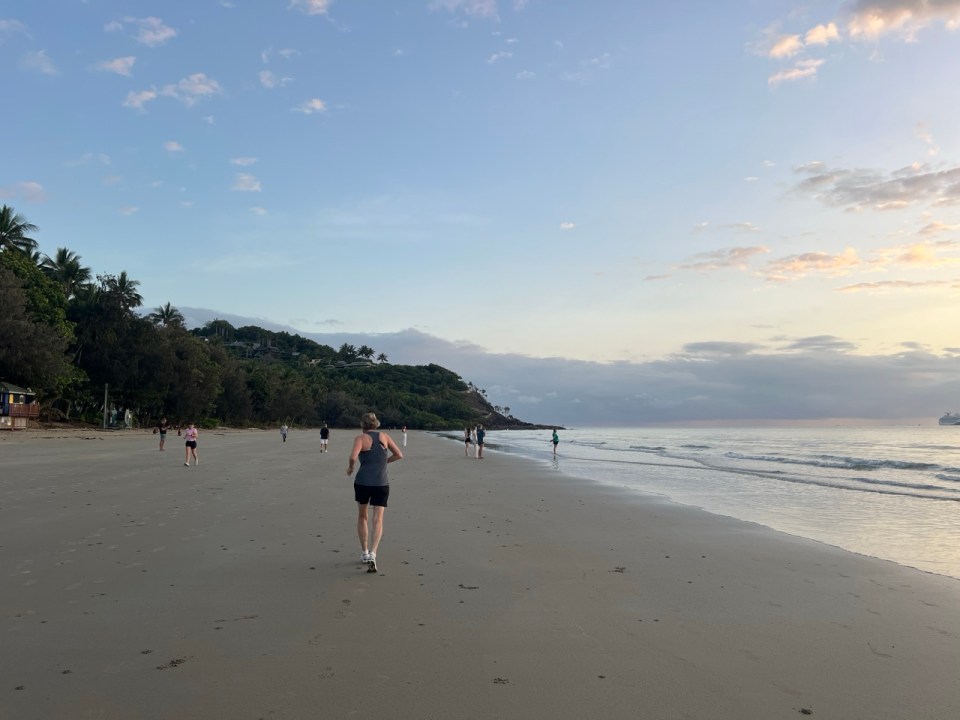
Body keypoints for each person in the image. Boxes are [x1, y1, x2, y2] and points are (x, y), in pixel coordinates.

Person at [347, 412, 402, 573]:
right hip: (381, 483)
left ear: (362, 425)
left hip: (362, 482)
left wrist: (350, 468)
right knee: (378, 519)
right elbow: (399, 455)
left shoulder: (360, 439)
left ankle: (364, 552)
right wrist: (384, 461)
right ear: (376, 424)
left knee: (362, 515)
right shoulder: (384, 436)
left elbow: (352, 456)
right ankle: (373, 553)